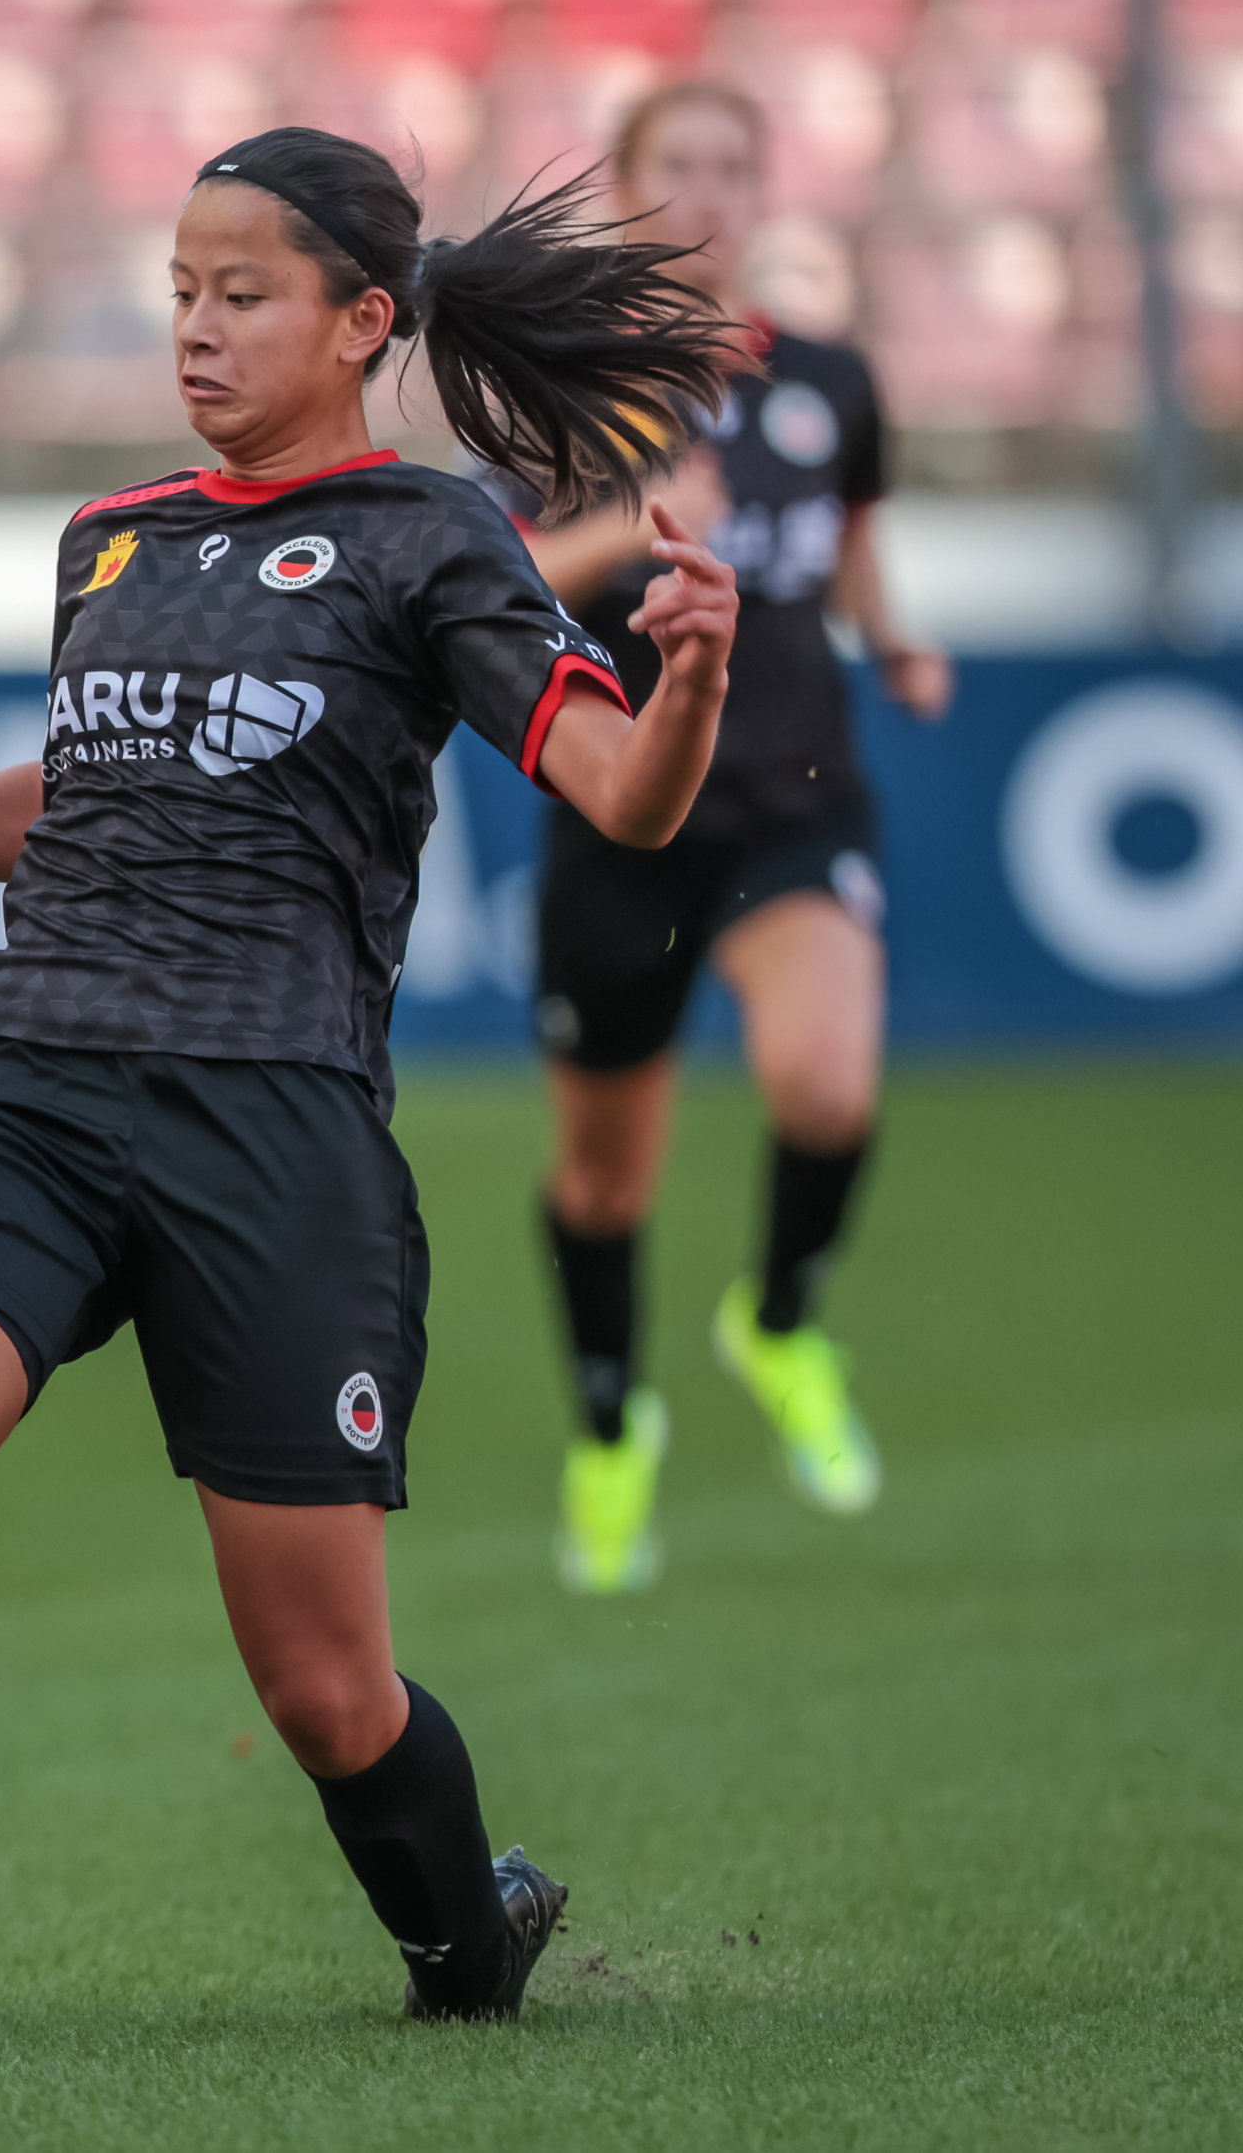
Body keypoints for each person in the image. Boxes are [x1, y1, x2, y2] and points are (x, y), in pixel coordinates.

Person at [0, 127, 745, 2057]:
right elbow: (91, 794)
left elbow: (627, 791)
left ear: (362, 321)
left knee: (323, 1690)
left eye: (245, 298)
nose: (199, 335)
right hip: (29, 1083)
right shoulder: (110, 540)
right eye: (180, 295)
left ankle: (467, 1936)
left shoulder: (429, 536)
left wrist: (694, 679)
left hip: (273, 1126)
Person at [516, 81, 952, 1595]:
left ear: (766, 191)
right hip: (620, 808)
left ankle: (778, 1322)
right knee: (603, 1183)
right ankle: (608, 1424)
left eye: (732, 163)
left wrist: (897, 641)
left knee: (826, 1084)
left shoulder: (828, 376)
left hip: (792, 791)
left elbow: (852, 537)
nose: (708, 191)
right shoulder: (569, 381)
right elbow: (491, 575)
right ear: (625, 192)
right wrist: (629, 526)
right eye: (676, 166)